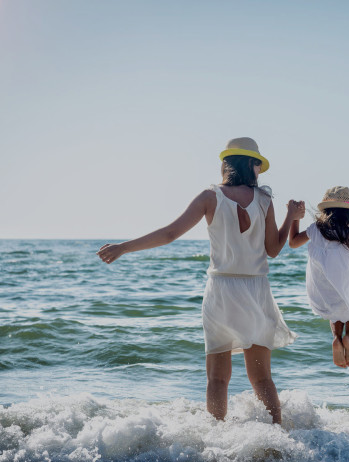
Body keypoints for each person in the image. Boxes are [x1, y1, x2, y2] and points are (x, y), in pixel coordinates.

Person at [96, 137, 303, 425]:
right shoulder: (265, 200)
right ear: (252, 164)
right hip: (256, 290)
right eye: (258, 165)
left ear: (227, 164)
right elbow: (273, 249)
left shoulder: (210, 196)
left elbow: (170, 234)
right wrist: (292, 217)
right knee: (262, 378)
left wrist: (123, 247)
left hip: (220, 290)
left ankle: (214, 441)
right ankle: (278, 439)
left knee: (217, 378)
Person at [289, 186, 349, 368]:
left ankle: (336, 337)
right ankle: (348, 337)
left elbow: (293, 242)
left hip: (323, 289)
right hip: (346, 287)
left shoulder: (315, 229)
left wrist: (295, 218)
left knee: (334, 314)